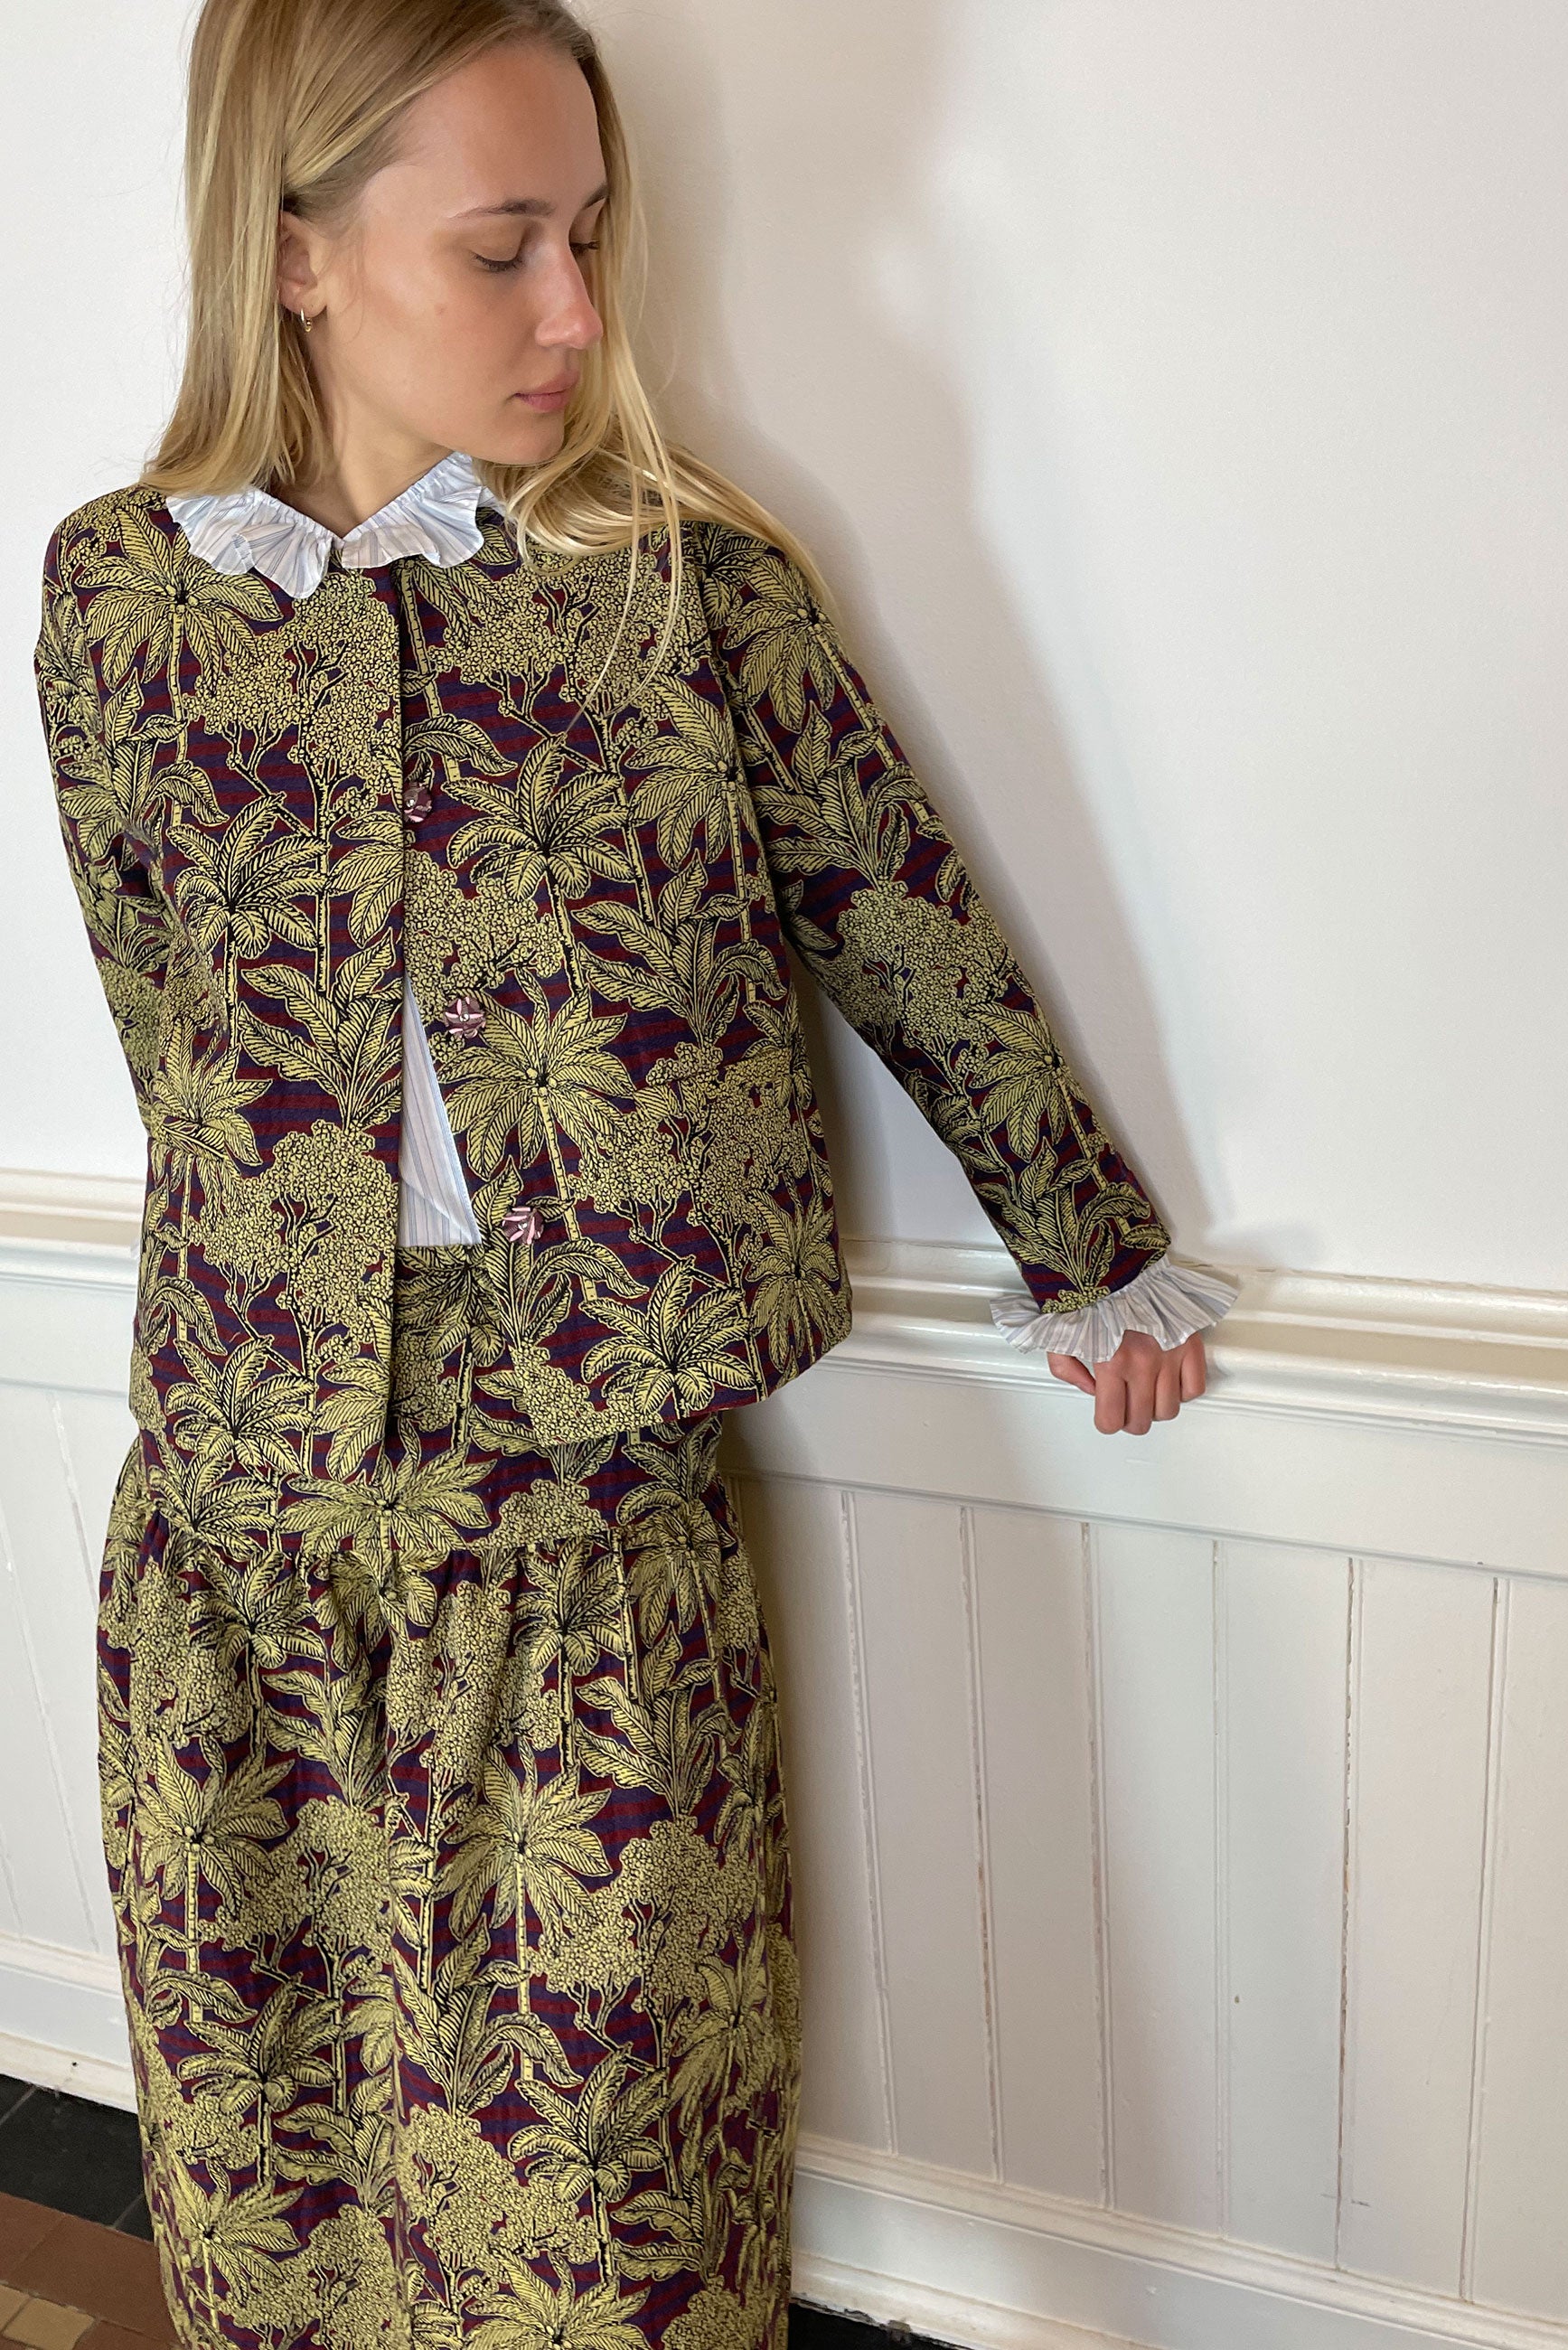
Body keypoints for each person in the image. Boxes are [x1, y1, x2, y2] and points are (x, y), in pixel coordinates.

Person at [32, 2, 1240, 2341]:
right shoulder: (114, 607)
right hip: (235, 1539)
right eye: (504, 247)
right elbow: (160, 993)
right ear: (293, 254)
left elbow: (896, 903)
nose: (580, 309)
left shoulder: (687, 591)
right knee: (273, 2203)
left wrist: (1091, 1251)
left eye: (587, 235)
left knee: (606, 2237)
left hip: (587, 1531)